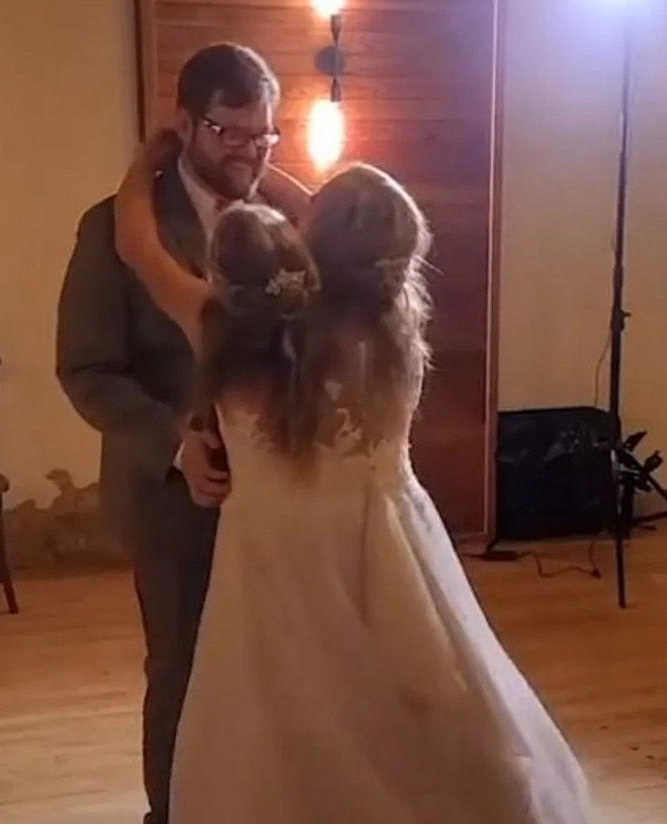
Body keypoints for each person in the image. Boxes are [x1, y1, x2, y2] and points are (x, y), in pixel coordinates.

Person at [114, 132, 594, 824]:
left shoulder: (235, 329)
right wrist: (263, 165)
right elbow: (354, 231)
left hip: (279, 552)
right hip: (391, 537)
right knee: (403, 705)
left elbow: (138, 247)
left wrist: (154, 163)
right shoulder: (393, 324)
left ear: (314, 237)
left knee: (292, 714)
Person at [56, 44, 282, 824]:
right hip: (171, 499)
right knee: (182, 670)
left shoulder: (282, 225)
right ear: (184, 124)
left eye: (264, 135)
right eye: (229, 133)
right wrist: (175, 442)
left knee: (273, 668)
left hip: (277, 496)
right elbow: (85, 370)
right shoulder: (114, 228)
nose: (250, 152)